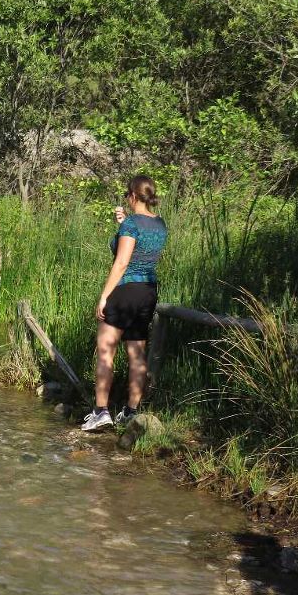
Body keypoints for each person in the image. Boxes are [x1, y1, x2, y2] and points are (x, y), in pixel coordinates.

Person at [81, 175, 168, 432]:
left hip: (126, 290)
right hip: (148, 292)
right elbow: (139, 250)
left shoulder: (132, 223)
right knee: (137, 354)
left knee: (107, 350)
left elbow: (122, 262)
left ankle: (100, 412)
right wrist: (121, 225)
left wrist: (105, 296)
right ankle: (130, 411)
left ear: (132, 195)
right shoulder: (159, 223)